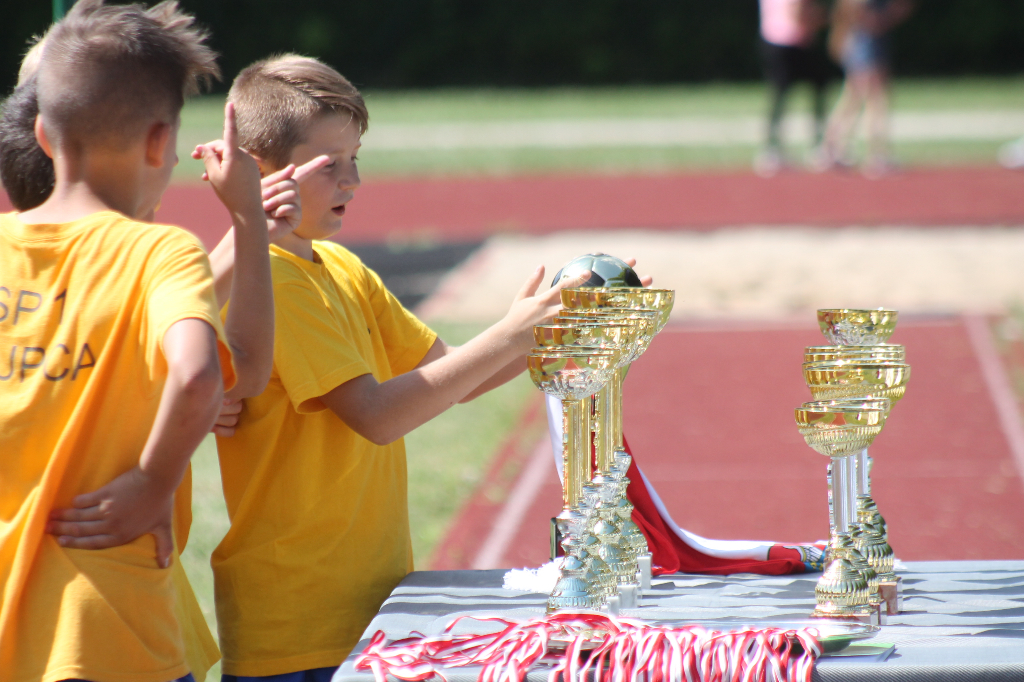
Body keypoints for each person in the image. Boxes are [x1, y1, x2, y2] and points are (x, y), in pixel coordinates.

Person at [199, 55, 598, 680]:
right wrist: (509, 333)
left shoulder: (341, 268)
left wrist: (544, 334)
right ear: (260, 174)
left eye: (357, 159)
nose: (352, 181)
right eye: (330, 165)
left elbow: (451, 375)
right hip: (297, 617)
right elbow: (377, 417)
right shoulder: (275, 279)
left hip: (370, 602)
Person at [0, 1, 278, 679]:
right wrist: (154, 482)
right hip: (112, 633)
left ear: (39, 132)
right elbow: (199, 376)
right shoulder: (160, 253)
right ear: (159, 143)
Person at [820, 0, 914, 177]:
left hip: (867, 43)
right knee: (874, 100)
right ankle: (876, 154)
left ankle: (830, 148)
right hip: (865, 43)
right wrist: (881, 19)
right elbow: (854, 11)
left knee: (853, 100)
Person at [755, 0, 831, 176]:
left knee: (779, 96)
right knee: (815, 90)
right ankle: (817, 146)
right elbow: (798, 13)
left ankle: (772, 148)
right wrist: (824, 18)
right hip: (793, 42)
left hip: (772, 40)